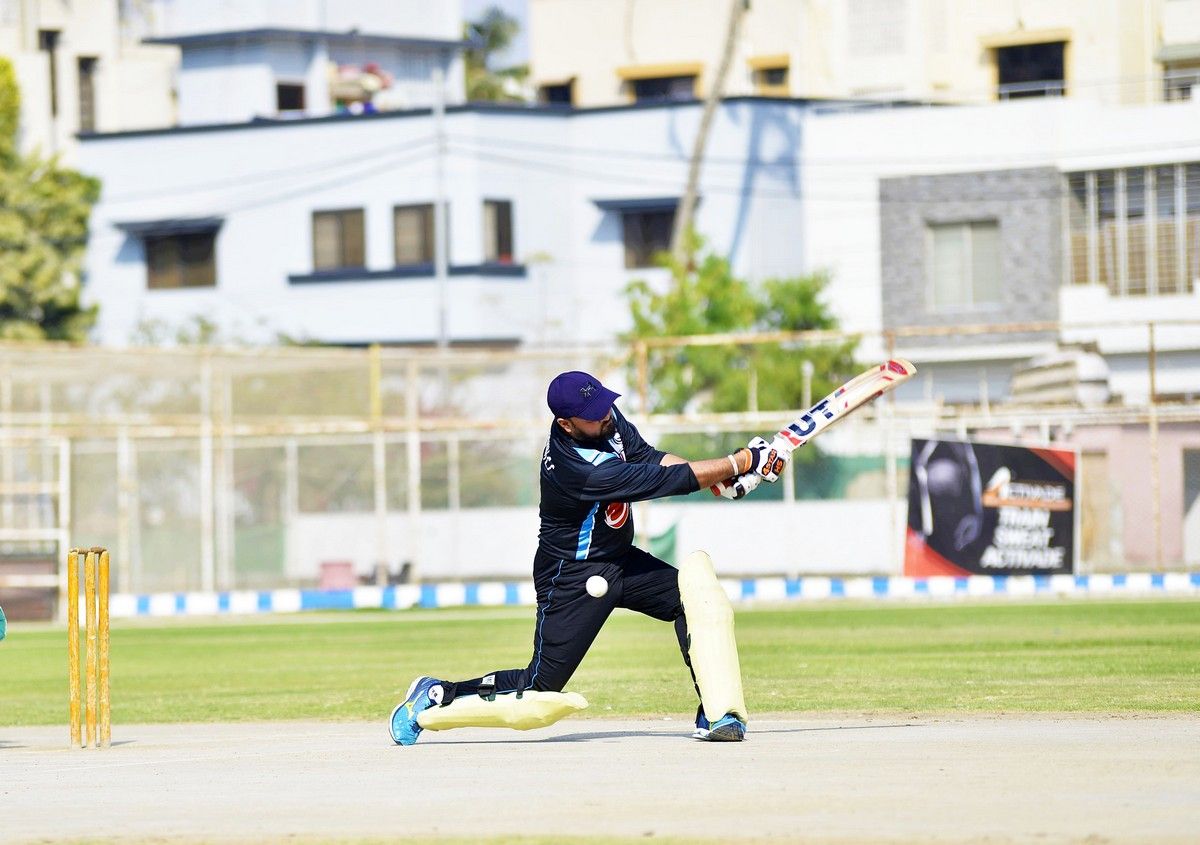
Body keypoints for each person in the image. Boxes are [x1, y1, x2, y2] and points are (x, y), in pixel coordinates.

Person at [388, 370, 786, 746]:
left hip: (620, 558)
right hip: (572, 576)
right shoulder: (576, 468)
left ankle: (717, 713)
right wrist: (740, 462)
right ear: (566, 424)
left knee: (694, 598)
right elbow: (664, 481)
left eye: (605, 405)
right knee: (539, 688)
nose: (606, 415)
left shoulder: (605, 420)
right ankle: (435, 696)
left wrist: (723, 479)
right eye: (593, 415)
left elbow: (650, 458)